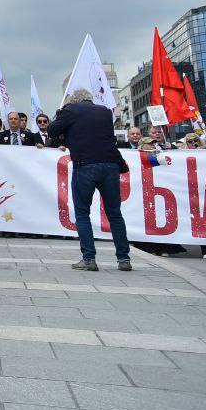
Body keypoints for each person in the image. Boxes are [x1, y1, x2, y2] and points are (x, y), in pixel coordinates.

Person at [48, 88, 131, 272]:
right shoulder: (104, 111)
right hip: (110, 165)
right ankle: (124, 259)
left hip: (85, 166)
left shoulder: (71, 110)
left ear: (73, 101)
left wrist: (62, 111)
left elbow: (52, 130)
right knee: (114, 213)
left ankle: (89, 259)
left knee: (83, 213)